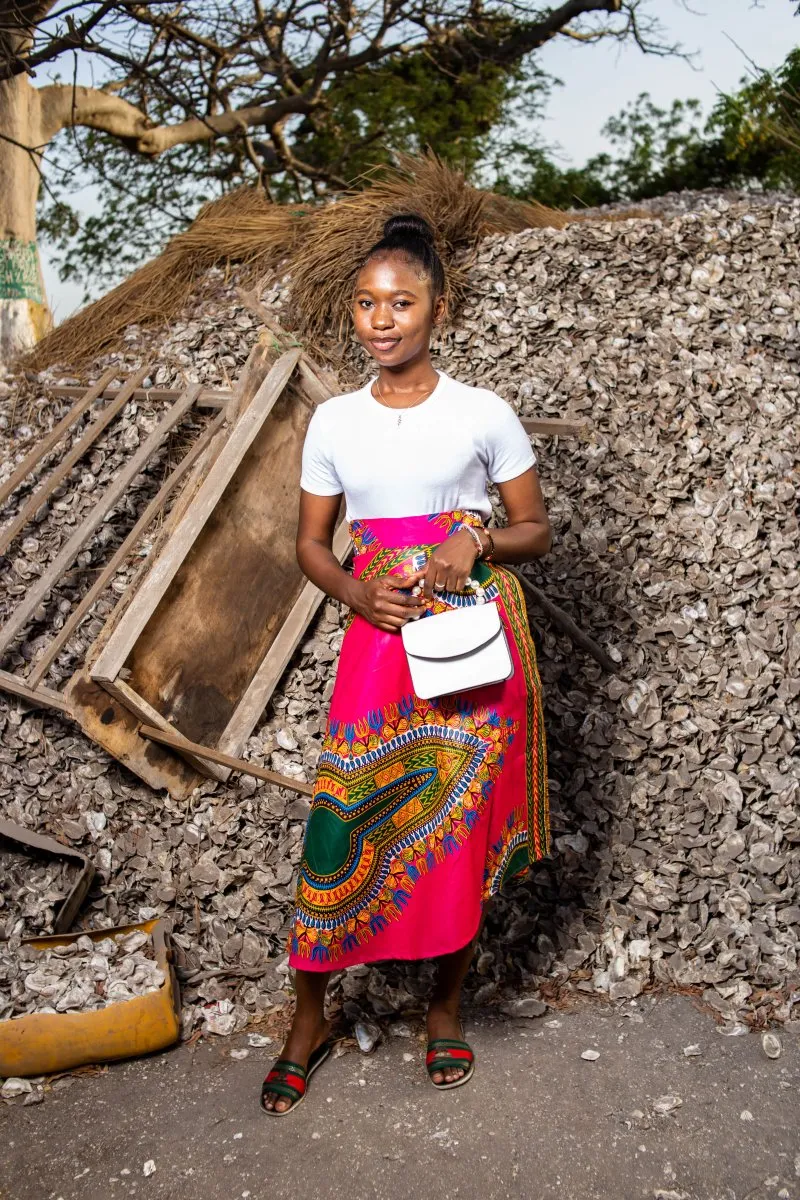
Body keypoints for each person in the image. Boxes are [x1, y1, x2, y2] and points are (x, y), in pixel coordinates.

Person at [261, 213, 552, 1115]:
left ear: (438, 307)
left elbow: (538, 528)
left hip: (468, 645)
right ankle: (307, 1019)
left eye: (401, 301)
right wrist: (355, 594)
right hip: (379, 640)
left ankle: (444, 1008)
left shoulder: (482, 413)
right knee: (339, 825)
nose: (381, 319)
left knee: (453, 832)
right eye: (365, 304)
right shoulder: (335, 420)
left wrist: (479, 541)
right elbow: (311, 545)